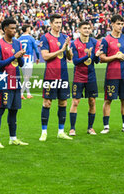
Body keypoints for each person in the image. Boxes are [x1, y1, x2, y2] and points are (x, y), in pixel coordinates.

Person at [0, 18, 28, 148]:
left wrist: (21, 56)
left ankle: (13, 138)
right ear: (4, 29)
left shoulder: (17, 43)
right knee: (0, 110)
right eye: (12, 28)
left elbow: (21, 64)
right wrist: (14, 56)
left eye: (15, 28)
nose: (14, 30)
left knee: (14, 110)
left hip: (15, 79)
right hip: (2, 79)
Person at [39, 14, 73, 142]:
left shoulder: (65, 38)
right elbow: (45, 56)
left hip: (63, 76)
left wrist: (67, 49)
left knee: (63, 102)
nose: (59, 25)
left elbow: (69, 58)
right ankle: (44, 132)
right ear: (51, 24)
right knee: (47, 103)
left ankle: (61, 131)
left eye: (60, 22)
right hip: (50, 76)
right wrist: (61, 50)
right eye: (56, 22)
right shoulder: (45, 37)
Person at [99, 14, 124, 134]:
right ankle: (106, 127)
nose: (120, 26)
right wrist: (115, 56)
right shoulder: (106, 40)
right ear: (112, 24)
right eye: (118, 24)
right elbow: (102, 58)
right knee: (108, 100)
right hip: (111, 75)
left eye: (122, 24)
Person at [69, 21, 102, 136]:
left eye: (88, 28)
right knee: (75, 102)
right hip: (78, 77)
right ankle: (72, 128)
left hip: (91, 77)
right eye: (84, 28)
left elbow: (96, 62)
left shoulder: (94, 42)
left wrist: (96, 56)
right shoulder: (74, 43)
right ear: (79, 30)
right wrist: (87, 56)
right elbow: (75, 62)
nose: (87, 30)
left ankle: (90, 128)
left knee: (92, 102)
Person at [18, 24, 40, 99]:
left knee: (25, 77)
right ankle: (20, 93)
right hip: (29, 59)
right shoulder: (31, 38)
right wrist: (38, 58)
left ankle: (28, 93)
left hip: (21, 59)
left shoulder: (19, 39)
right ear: (27, 29)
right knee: (27, 77)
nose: (30, 29)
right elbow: (36, 50)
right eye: (30, 28)